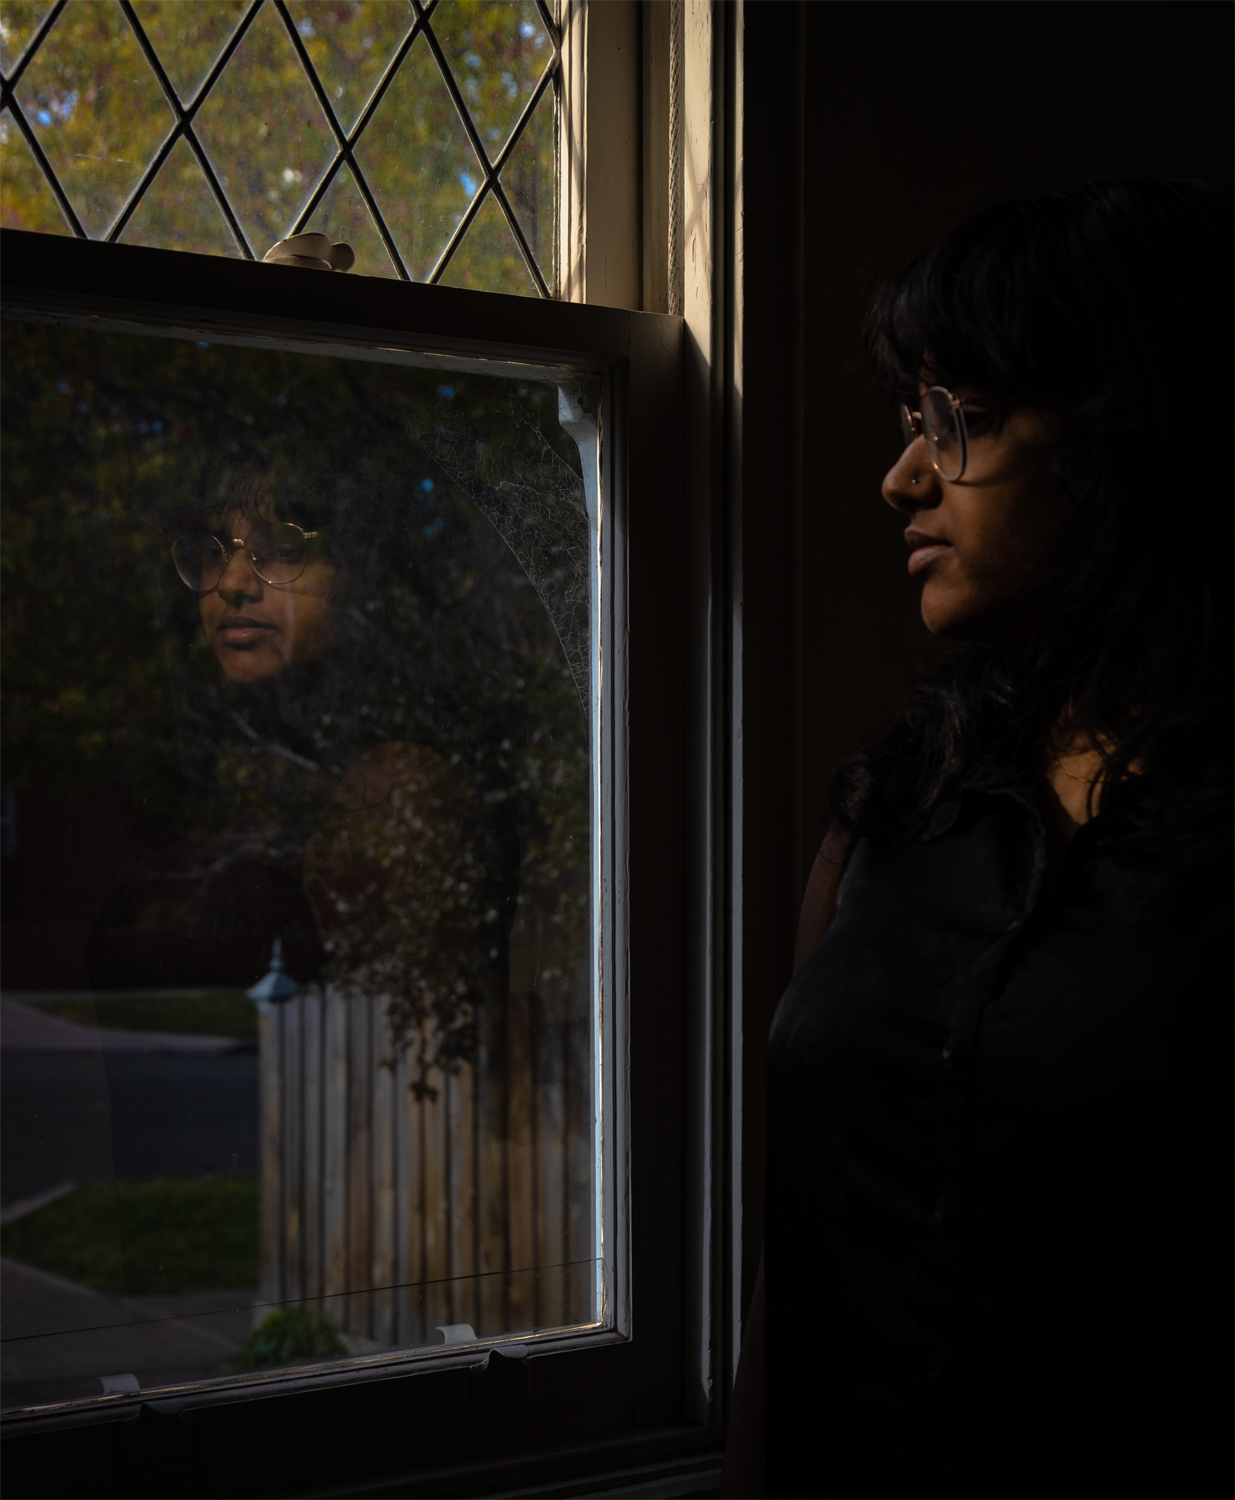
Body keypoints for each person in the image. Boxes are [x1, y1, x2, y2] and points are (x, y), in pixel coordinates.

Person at [726, 180, 1233, 1495]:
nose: (899, 476)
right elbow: (798, 1259)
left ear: (1126, 442)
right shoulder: (898, 806)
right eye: (912, 420)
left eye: (960, 422)